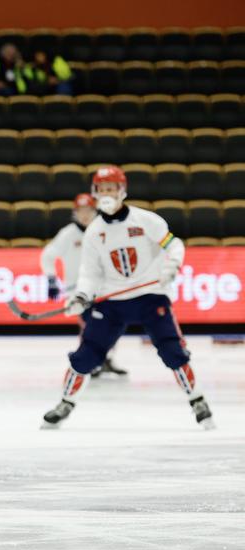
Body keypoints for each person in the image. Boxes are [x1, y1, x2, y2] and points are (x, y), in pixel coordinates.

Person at [41, 166, 215, 430]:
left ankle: (197, 400)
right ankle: (66, 402)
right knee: (86, 355)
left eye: (112, 188)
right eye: (102, 189)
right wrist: (81, 295)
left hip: (150, 297)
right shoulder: (94, 232)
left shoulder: (146, 220)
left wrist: (172, 265)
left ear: (122, 191)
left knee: (173, 351)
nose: (107, 194)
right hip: (111, 303)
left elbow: (174, 244)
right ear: (95, 193)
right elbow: (90, 274)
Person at [41, 193, 126, 377]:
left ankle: (106, 359)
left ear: (95, 210)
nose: (85, 215)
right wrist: (51, 279)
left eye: (88, 210)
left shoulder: (104, 230)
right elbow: (48, 255)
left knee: (113, 324)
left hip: (105, 288)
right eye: (81, 211)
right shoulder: (68, 234)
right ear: (75, 213)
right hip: (79, 291)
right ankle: (90, 359)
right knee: (90, 325)